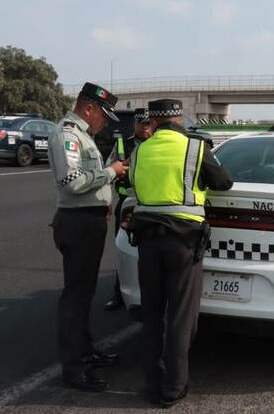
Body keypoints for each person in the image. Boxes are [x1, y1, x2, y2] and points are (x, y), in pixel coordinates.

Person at [129, 99, 233, 407]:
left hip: (147, 241)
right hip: (183, 242)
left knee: (152, 314)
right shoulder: (196, 148)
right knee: (180, 316)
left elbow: (134, 182)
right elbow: (224, 182)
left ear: (154, 121)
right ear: (179, 118)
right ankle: (174, 387)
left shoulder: (140, 150)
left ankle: (152, 383)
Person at [47, 82, 129, 391]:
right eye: (103, 115)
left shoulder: (84, 136)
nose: (105, 122)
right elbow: (71, 182)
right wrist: (111, 173)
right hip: (77, 224)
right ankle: (73, 369)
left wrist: (102, 199)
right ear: (89, 108)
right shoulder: (68, 135)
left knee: (85, 293)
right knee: (75, 298)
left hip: (89, 220)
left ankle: (85, 351)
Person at [104, 108, 153, 311]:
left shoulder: (158, 145)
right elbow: (108, 170)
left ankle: (150, 295)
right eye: (142, 124)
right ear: (135, 124)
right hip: (127, 205)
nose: (146, 129)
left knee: (151, 252)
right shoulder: (123, 143)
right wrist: (107, 202)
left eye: (149, 125)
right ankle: (119, 294)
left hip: (151, 205)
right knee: (124, 250)